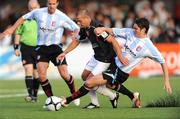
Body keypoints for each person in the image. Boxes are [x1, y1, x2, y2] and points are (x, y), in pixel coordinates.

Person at [60, 18, 172, 108]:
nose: (133, 30)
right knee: (106, 84)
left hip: (120, 72)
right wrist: (102, 29)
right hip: (113, 63)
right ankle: (132, 95)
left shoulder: (149, 47)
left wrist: (166, 81)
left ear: (144, 30)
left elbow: (163, 62)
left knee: (90, 83)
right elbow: (112, 30)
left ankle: (67, 100)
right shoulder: (130, 32)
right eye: (133, 28)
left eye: (136, 29)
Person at [3, 0, 80, 106]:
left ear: (57, 4)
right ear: (47, 3)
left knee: (64, 75)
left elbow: (76, 28)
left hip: (56, 48)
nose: (51, 6)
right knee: (42, 76)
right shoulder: (38, 12)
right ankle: (52, 100)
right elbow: (23, 18)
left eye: (53, 4)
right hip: (41, 48)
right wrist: (12, 29)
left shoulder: (62, 16)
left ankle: (73, 93)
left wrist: (75, 34)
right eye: (49, 4)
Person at [57, 9, 128, 109]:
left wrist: (120, 56)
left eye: (79, 20)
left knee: (89, 82)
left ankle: (106, 98)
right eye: (77, 21)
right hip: (96, 57)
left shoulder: (97, 28)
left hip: (105, 59)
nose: (78, 23)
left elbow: (113, 41)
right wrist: (64, 53)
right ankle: (108, 98)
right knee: (84, 77)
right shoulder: (84, 28)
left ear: (87, 18)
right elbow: (77, 41)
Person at [14, 0, 40, 102]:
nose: (33, 10)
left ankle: (35, 95)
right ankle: (30, 94)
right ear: (28, 8)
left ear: (39, 7)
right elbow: (18, 33)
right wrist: (16, 47)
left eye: (35, 8)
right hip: (26, 48)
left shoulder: (42, 20)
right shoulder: (23, 19)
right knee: (28, 69)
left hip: (38, 48)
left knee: (37, 73)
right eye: (31, 8)